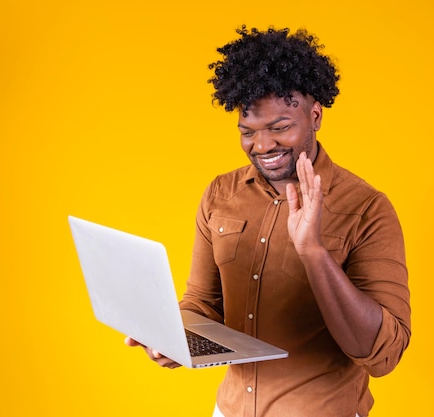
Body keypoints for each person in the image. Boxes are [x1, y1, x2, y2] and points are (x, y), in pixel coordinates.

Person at [126, 25, 411, 417]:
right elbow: (203, 304)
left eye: (279, 128)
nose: (261, 147)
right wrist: (172, 337)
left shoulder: (367, 209)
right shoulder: (221, 193)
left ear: (315, 115)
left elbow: (383, 355)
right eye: (248, 132)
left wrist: (312, 251)